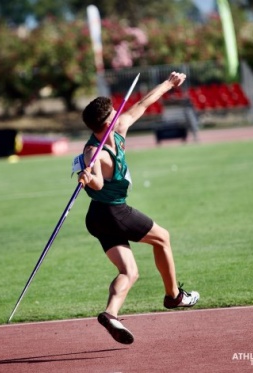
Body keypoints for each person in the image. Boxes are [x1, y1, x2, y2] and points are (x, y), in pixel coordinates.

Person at [76, 71, 199, 345]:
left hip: (98, 217)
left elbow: (142, 104)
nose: (119, 113)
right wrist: (86, 176)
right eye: (113, 112)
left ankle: (110, 314)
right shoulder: (94, 152)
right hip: (113, 212)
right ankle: (174, 296)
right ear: (107, 121)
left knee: (129, 272)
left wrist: (168, 83)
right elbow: (95, 182)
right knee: (163, 238)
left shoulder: (118, 129)